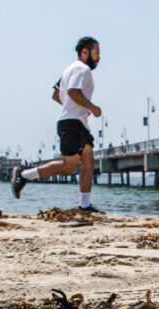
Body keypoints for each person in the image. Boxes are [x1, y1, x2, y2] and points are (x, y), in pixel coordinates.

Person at [11, 36, 103, 212]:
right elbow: (72, 91)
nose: (99, 57)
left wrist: (76, 107)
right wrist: (91, 107)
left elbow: (56, 95)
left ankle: (85, 205)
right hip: (72, 124)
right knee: (68, 166)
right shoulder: (83, 69)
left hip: (75, 122)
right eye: (96, 52)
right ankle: (23, 175)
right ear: (85, 52)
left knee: (87, 162)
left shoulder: (69, 69)